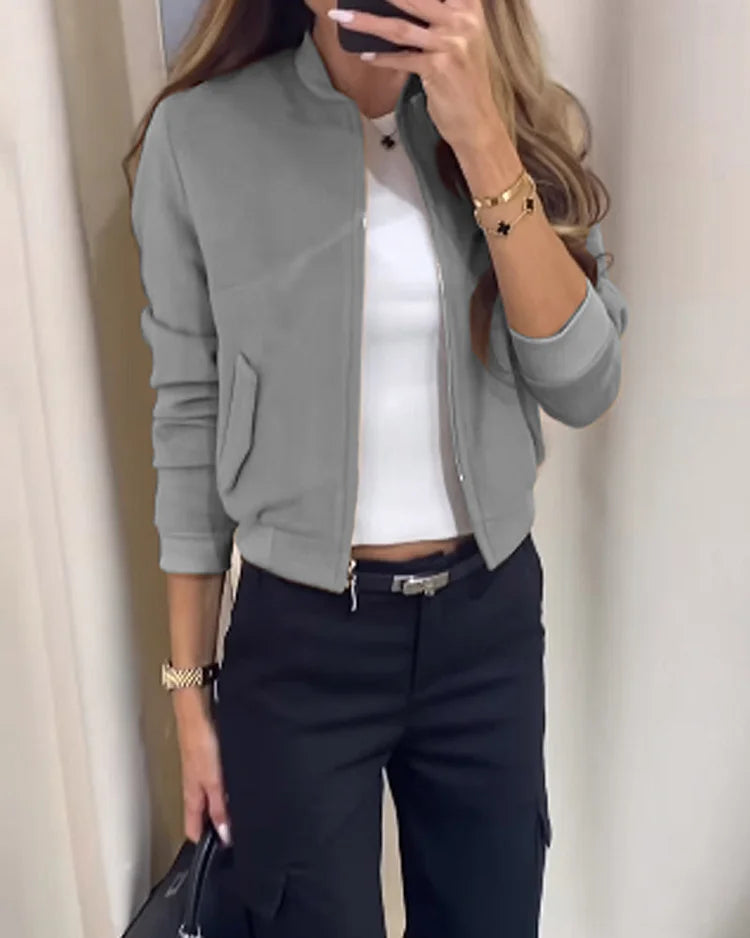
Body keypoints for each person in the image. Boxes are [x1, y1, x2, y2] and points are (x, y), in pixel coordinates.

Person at [125, 0, 628, 935]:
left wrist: (485, 143)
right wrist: (190, 696)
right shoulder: (199, 138)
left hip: (486, 630)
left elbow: (584, 380)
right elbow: (188, 419)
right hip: (301, 642)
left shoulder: (515, 116)